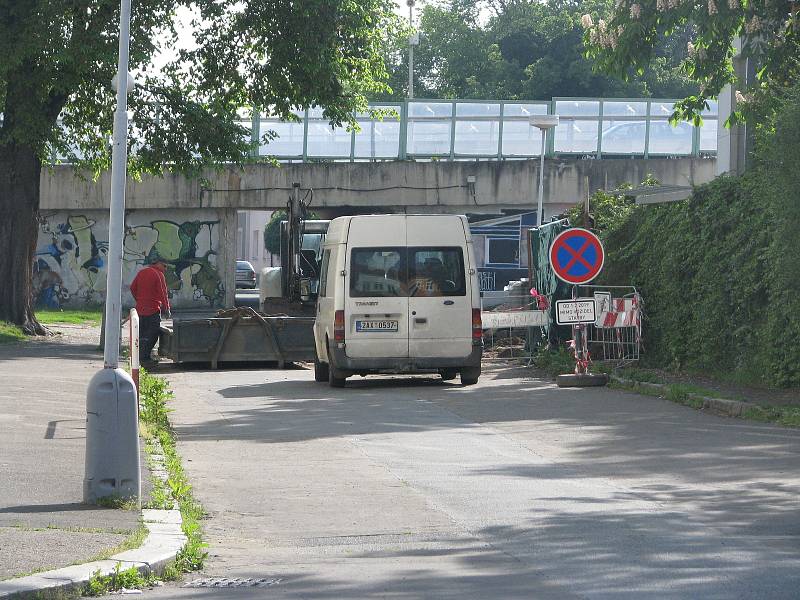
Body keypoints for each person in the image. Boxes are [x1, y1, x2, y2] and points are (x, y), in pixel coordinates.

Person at [130, 259, 171, 365]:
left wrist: (139, 300)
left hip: (140, 310)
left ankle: (139, 358)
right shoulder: (159, 274)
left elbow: (132, 288)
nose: (165, 269)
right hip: (152, 310)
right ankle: (145, 358)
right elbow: (163, 293)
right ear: (158, 263)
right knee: (152, 335)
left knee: (141, 334)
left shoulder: (141, 272)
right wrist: (166, 308)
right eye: (165, 266)